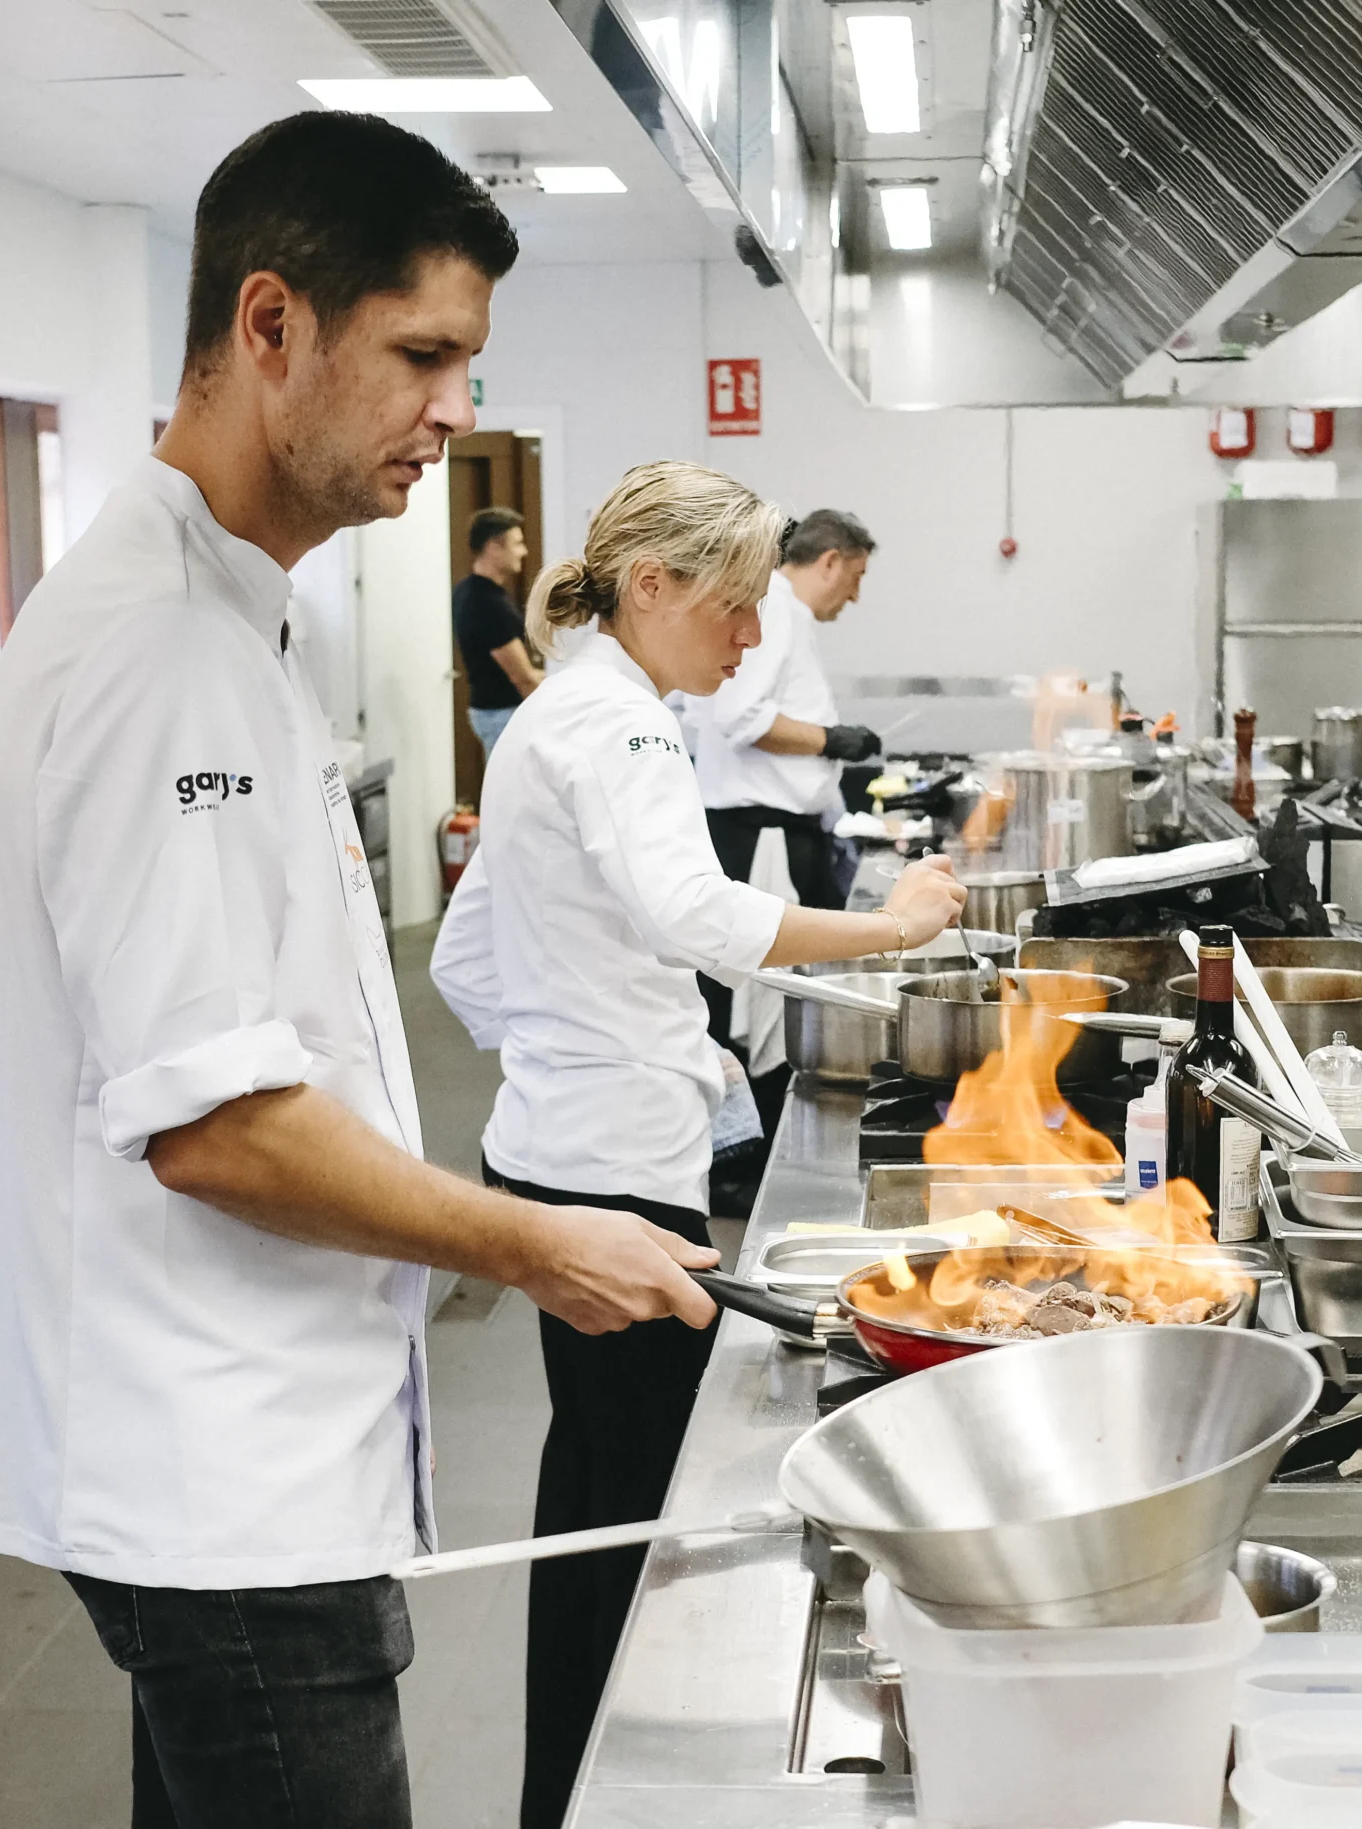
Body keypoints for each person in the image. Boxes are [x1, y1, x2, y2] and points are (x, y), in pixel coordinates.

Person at [0, 113, 720, 1829]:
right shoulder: (160, 652)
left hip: (238, 1446)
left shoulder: (230, 615)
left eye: (468, 362)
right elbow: (218, 1126)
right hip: (223, 1478)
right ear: (271, 325)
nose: (455, 411)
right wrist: (537, 1238)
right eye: (424, 355)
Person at [427, 462, 965, 1829]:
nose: (750, 637)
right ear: (650, 588)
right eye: (731, 609)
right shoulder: (622, 729)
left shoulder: (568, 710)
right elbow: (698, 916)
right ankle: (618, 1791)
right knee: (634, 1510)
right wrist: (891, 933)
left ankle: (563, 1790)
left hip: (560, 1145)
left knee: (591, 1481)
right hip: (608, 1165)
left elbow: (465, 960)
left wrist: (578, 1044)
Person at [686, 507, 883, 910]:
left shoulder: (787, 609)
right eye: (856, 577)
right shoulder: (771, 604)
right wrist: (830, 741)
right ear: (830, 561)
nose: (855, 596)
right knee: (765, 969)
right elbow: (741, 716)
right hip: (759, 833)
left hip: (779, 826)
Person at [456, 504, 542, 752]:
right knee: (512, 790)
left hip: (492, 712)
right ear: (494, 546)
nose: (523, 551)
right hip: (502, 715)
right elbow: (522, 677)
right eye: (517, 543)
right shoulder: (486, 604)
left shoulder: (468, 591)